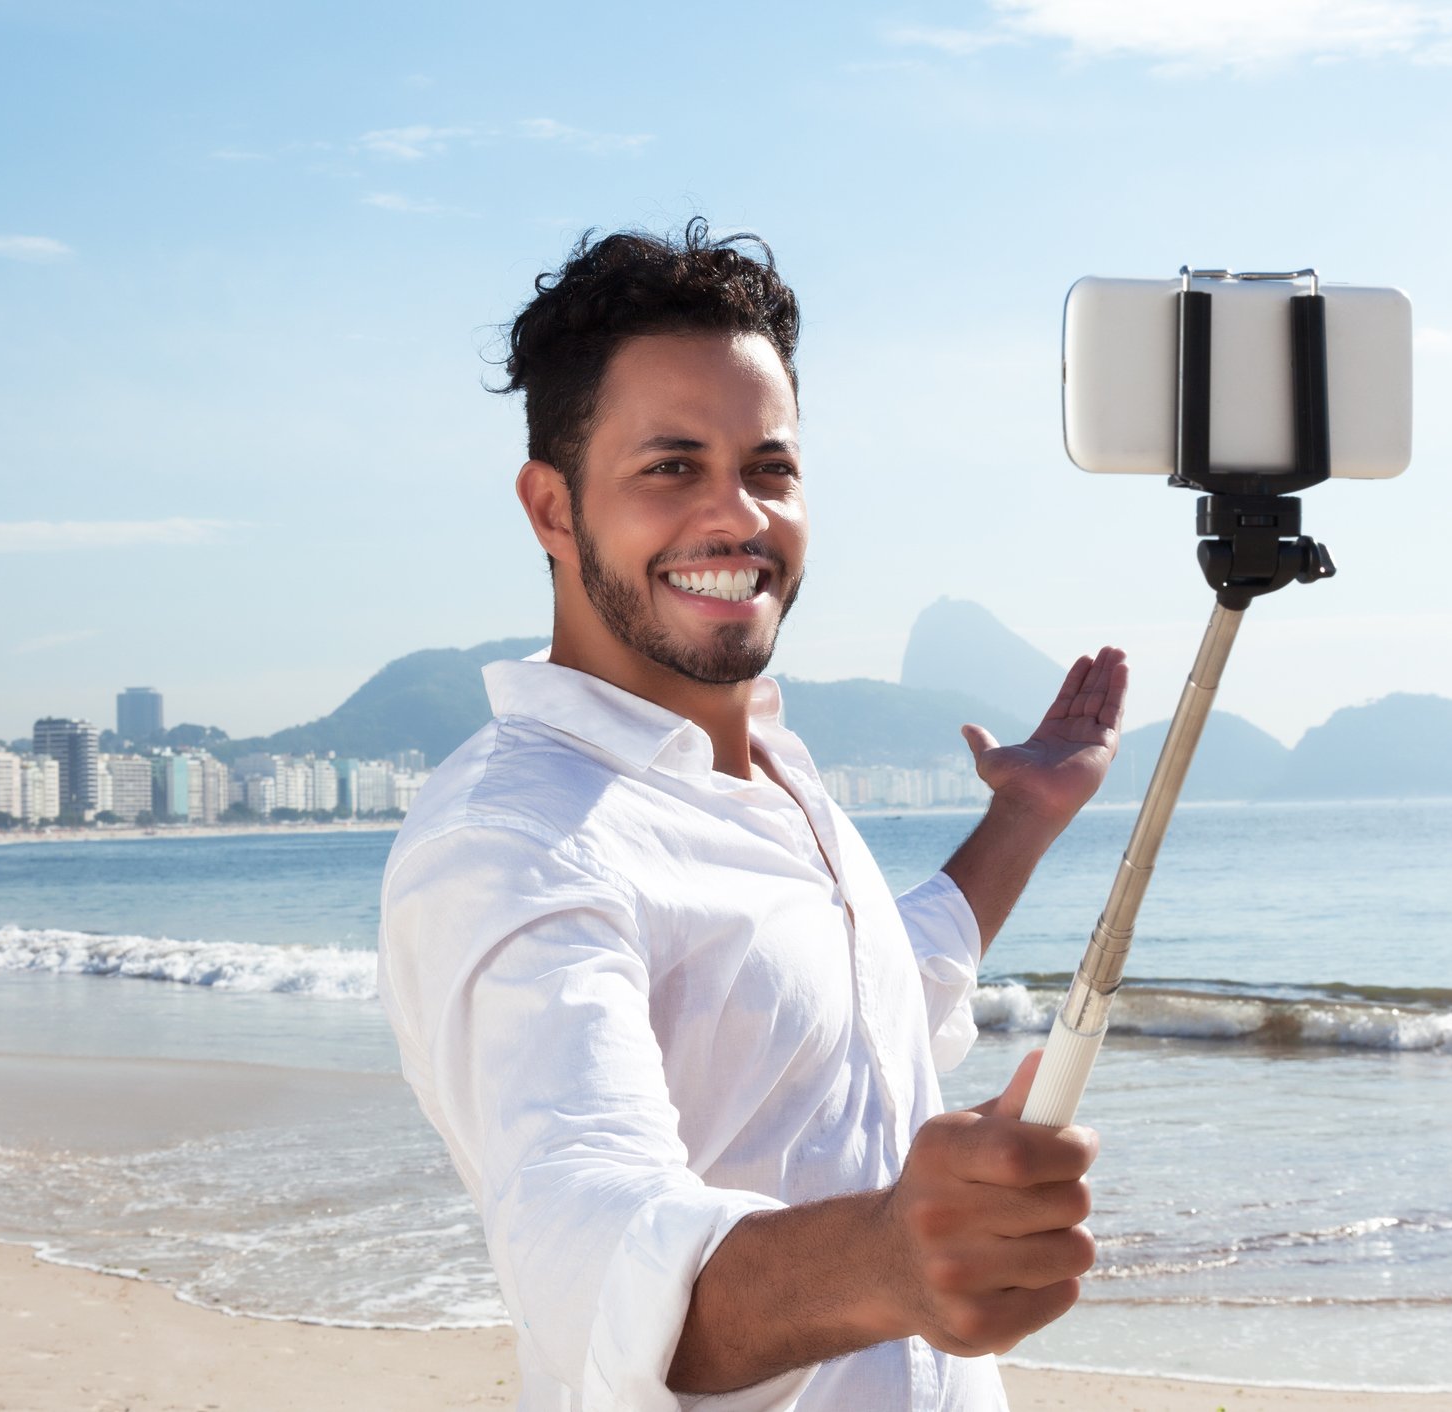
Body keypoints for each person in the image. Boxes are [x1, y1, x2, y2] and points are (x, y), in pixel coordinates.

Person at [377, 220, 1128, 1411]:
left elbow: (860, 997)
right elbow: (596, 1248)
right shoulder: (514, 838)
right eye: (671, 465)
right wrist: (891, 1260)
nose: (737, 515)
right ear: (553, 510)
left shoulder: (772, 759)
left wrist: (1026, 818)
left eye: (768, 467)